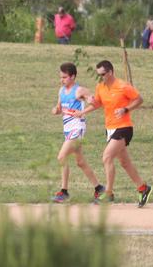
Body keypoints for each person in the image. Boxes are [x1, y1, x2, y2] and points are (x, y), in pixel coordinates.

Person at [83, 60, 152, 207]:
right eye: (99, 75)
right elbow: (97, 104)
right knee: (125, 163)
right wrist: (82, 111)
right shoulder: (100, 87)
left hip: (124, 127)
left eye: (103, 74)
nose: (101, 77)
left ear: (111, 72)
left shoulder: (123, 86)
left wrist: (126, 109)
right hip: (110, 128)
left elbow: (139, 100)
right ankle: (143, 188)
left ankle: (108, 193)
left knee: (107, 157)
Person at [51, 62, 105, 203]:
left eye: (64, 77)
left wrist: (83, 110)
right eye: (61, 77)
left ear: (73, 76)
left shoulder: (79, 90)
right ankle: (99, 188)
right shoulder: (61, 91)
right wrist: (56, 110)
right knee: (80, 162)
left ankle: (64, 192)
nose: (61, 80)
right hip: (67, 129)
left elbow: (95, 103)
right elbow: (59, 108)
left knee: (61, 157)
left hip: (77, 128)